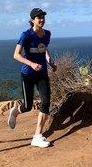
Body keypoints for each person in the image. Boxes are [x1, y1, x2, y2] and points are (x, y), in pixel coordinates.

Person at [8, 8, 56, 148]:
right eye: (38, 17)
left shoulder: (47, 34)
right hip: (28, 74)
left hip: (42, 74)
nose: (41, 19)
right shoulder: (26, 35)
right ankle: (15, 111)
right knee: (28, 106)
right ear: (32, 20)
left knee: (46, 101)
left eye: (43, 17)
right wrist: (32, 64)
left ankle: (37, 136)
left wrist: (50, 61)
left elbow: (44, 48)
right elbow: (16, 55)